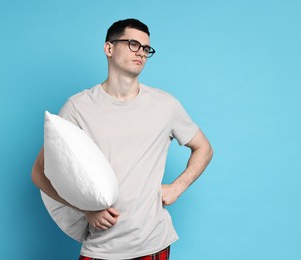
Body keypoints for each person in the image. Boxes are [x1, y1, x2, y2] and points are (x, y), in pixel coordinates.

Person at [31, 18, 213, 260]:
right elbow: (39, 173)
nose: (141, 53)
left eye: (146, 48)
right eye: (132, 44)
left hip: (152, 242)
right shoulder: (77, 107)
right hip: (101, 246)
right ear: (109, 48)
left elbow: (204, 148)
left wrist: (177, 187)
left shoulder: (166, 105)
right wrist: (85, 209)